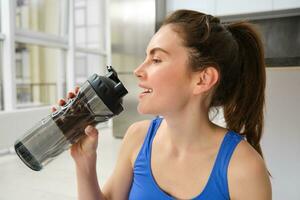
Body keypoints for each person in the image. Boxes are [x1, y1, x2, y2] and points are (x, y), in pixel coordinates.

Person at [57, 9, 272, 200]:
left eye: (157, 59)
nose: (138, 70)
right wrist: (84, 161)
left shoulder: (243, 167)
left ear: (203, 79)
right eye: (146, 57)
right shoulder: (137, 138)